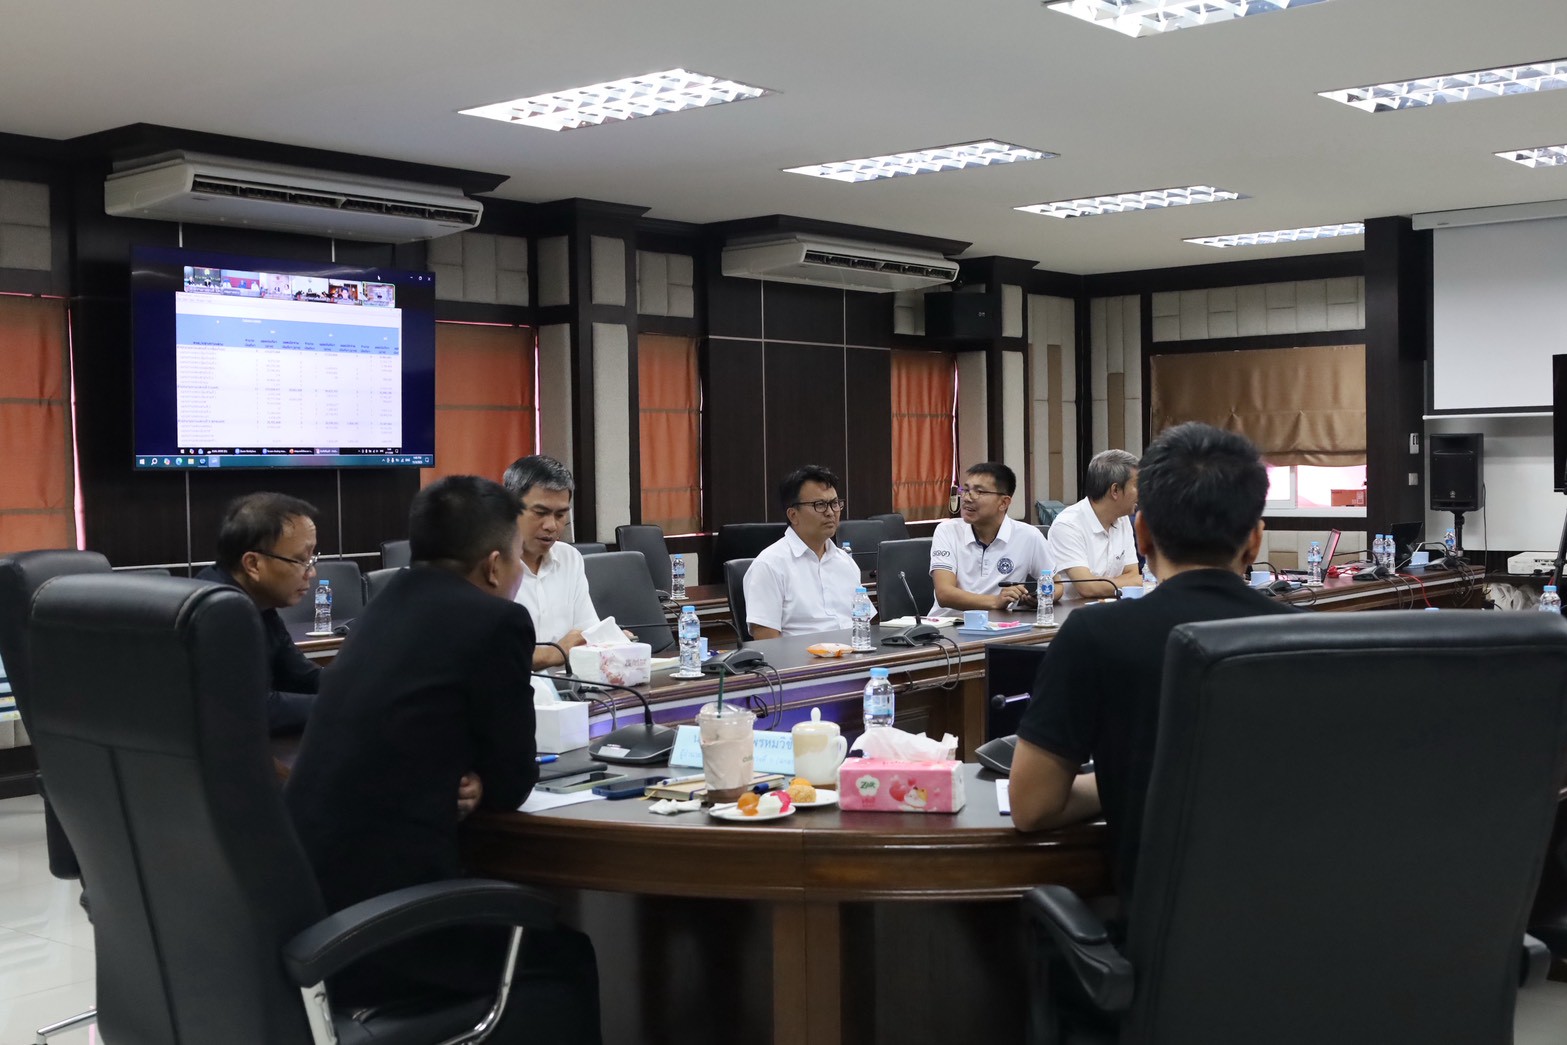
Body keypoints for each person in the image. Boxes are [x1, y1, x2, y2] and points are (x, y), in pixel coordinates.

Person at [285, 475, 600, 1042]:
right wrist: (482, 777)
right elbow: (512, 783)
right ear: (495, 566)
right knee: (565, 953)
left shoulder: (382, 608)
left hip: (310, 914)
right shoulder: (496, 621)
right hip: (390, 929)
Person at [1009, 423, 1298, 903]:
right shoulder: (1306, 637)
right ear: (1255, 541)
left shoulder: (1093, 636)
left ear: (1141, 535)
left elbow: (1033, 806)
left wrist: (1129, 777)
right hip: (1294, 924)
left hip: (1154, 931)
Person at [195, 492, 322, 733]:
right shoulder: (219, 611)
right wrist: (343, 705)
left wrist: (358, 689)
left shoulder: (256, 601)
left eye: (312, 559)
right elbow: (255, 708)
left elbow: (300, 675)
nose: (311, 572)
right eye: (300, 560)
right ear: (253, 564)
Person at [503, 455, 602, 669]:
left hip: (571, 685)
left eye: (560, 515)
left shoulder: (569, 558)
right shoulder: (485, 566)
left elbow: (587, 635)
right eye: (540, 513)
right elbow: (487, 656)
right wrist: (554, 653)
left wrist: (611, 641)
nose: (551, 526)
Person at [744, 465, 860, 639]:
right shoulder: (769, 566)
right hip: (801, 656)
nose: (830, 513)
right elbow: (766, 643)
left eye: (835, 504)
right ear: (793, 515)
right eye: (820, 505)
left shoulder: (846, 562)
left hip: (853, 654)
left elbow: (863, 625)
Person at [929, 462, 1054, 615]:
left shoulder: (1029, 536)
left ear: (1003, 502)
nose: (967, 498)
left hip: (1003, 624)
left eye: (979, 492)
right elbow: (944, 594)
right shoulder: (948, 530)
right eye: (966, 490)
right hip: (948, 624)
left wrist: (1039, 597)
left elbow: (1057, 584)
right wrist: (996, 601)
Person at [1048, 448, 1143, 599]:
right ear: (1115, 490)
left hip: (1112, 607)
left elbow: (1134, 575)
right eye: (1136, 485)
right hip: (1074, 610)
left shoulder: (1122, 520)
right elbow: (1087, 588)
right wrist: (1127, 582)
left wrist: (1103, 585)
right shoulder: (1067, 525)